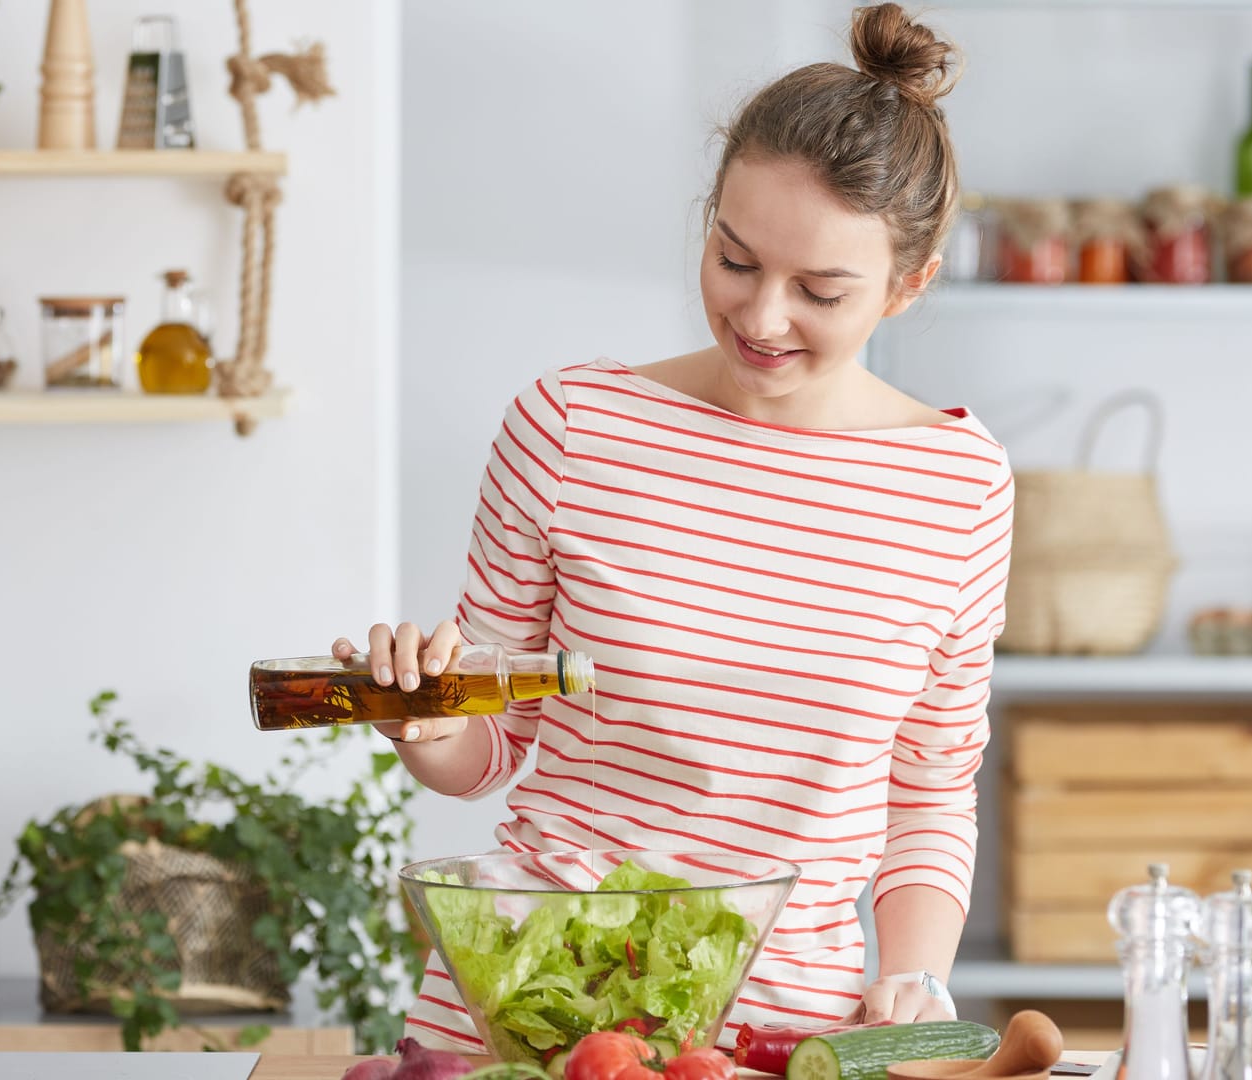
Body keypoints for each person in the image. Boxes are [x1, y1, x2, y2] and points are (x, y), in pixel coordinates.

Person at [336, 2, 1012, 1050]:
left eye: (820, 290)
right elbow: (494, 744)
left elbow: (929, 785)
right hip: (530, 1011)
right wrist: (422, 720)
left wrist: (918, 975)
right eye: (735, 260)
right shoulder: (570, 428)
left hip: (780, 1041)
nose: (762, 317)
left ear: (909, 286)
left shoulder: (959, 486)